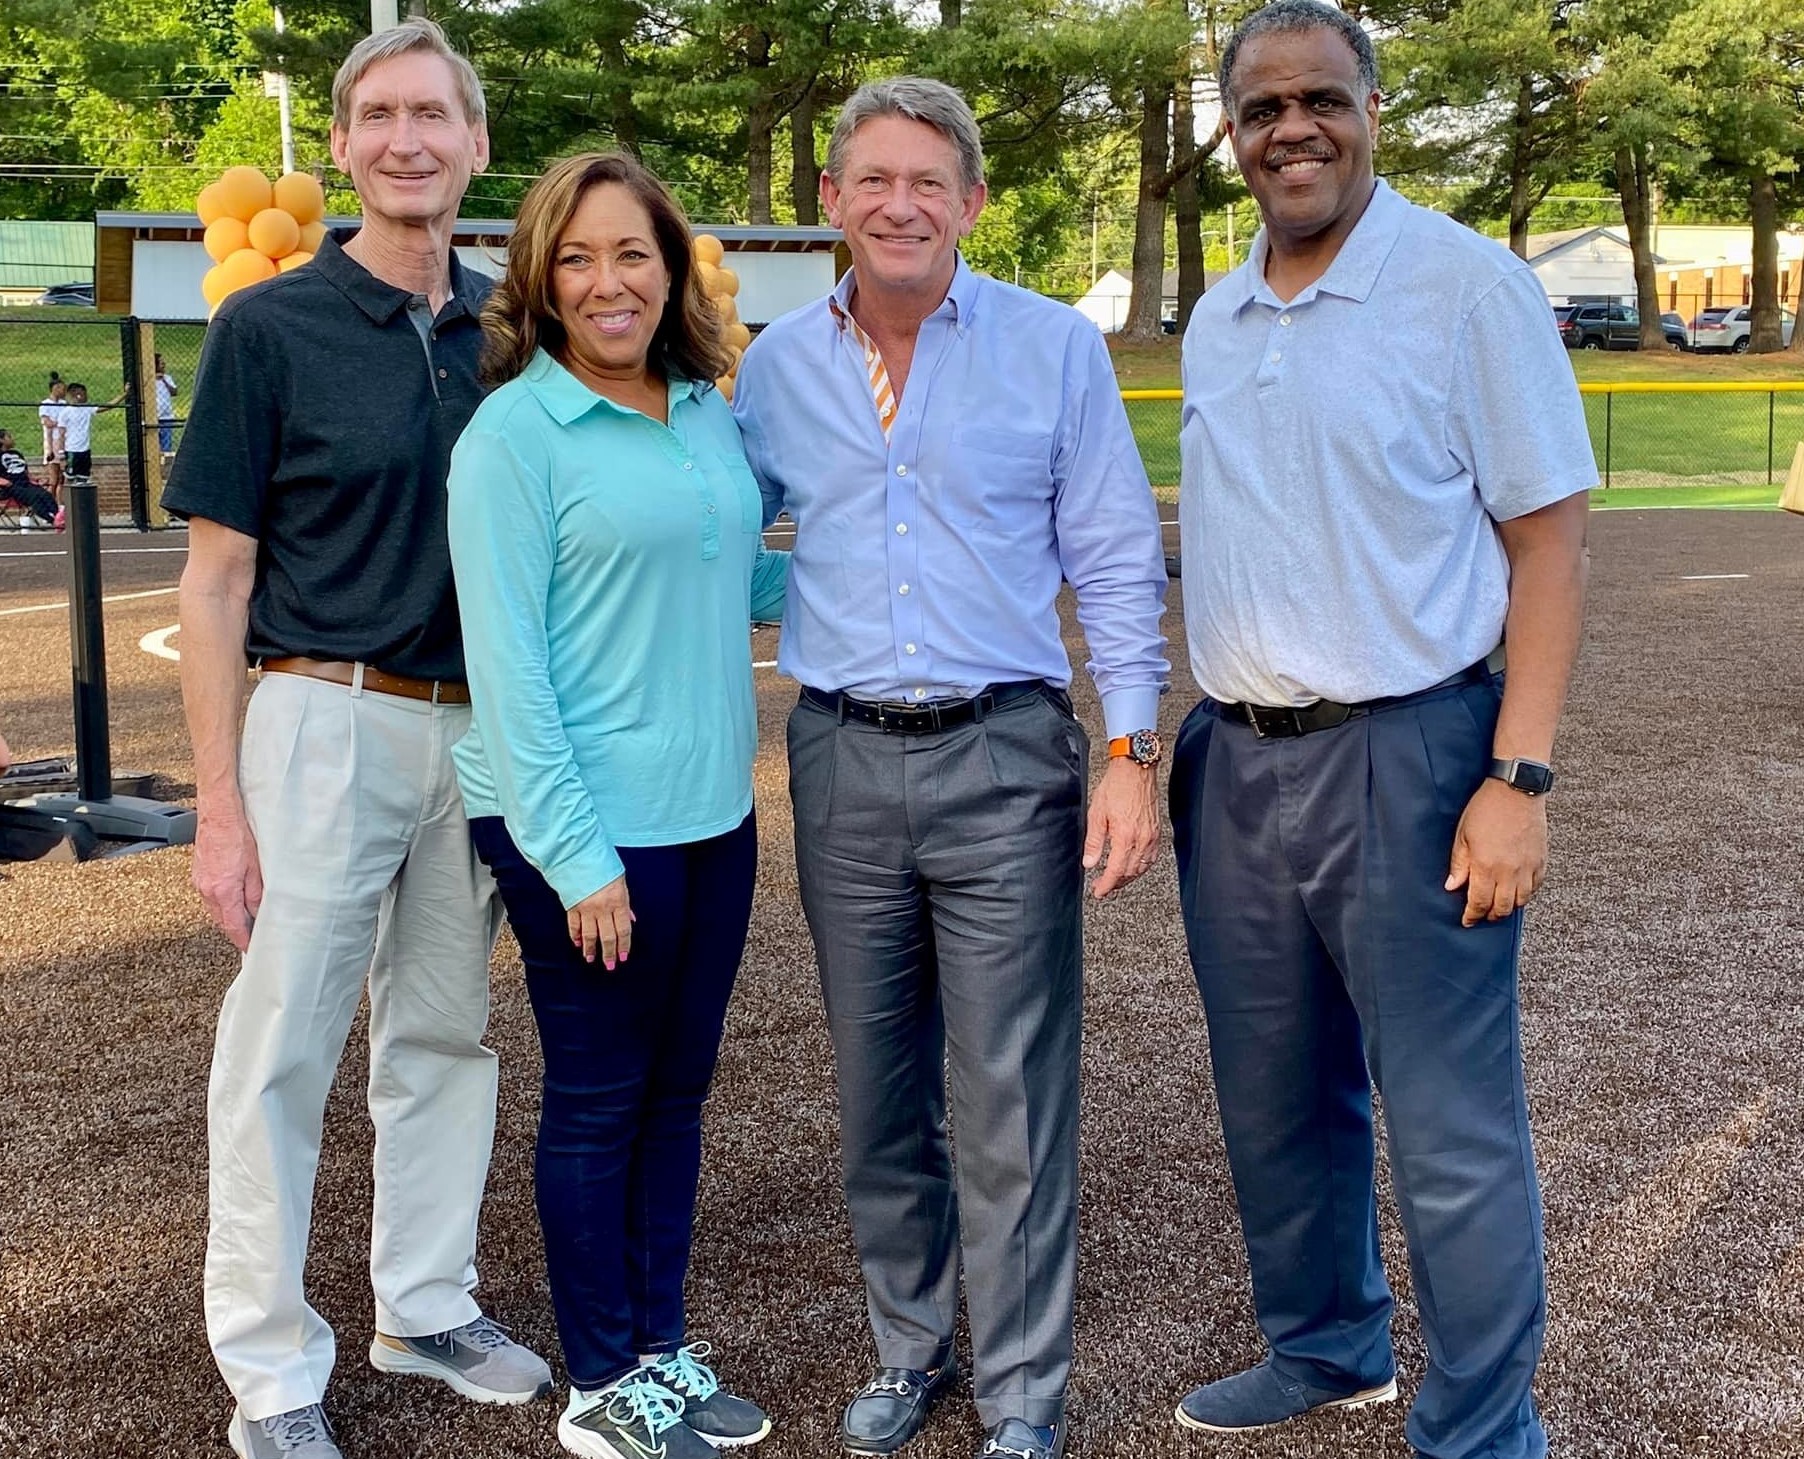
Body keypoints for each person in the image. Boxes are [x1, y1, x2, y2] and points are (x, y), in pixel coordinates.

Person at [1167, 5, 1593, 1458]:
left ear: (1370, 109)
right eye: (1262, 104)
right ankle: (1327, 1341)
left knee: (1451, 1119)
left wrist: (1515, 776)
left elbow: (1547, 542)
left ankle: (1481, 1423)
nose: (1293, 126)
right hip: (1233, 759)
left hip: (1411, 752)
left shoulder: (1467, 287)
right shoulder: (1221, 316)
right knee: (1277, 1095)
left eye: (1320, 98)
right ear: (1232, 131)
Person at [733, 77, 1169, 1459]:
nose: (902, 204)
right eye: (875, 180)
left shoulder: (1051, 349)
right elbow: (711, 530)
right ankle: (910, 1346)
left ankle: (1025, 1386)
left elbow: (1109, 555)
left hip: (1008, 755)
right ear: (832, 204)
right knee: (876, 1083)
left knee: (1012, 1087)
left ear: (972, 202)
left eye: (930, 181)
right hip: (844, 757)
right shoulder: (777, 368)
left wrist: (1129, 746)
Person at [162, 20, 551, 1459]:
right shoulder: (269, 329)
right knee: (279, 1051)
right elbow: (214, 577)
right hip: (323, 713)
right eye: (378, 114)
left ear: (475, 144)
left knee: (446, 1033)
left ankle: (423, 1297)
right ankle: (269, 1370)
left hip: (476, 733)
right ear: (339, 146)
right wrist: (218, 804)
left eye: (433, 115)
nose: (406, 139)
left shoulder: (514, 330)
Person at [448, 149, 785, 1459]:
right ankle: (601, 1379)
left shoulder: (700, 408)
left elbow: (735, 578)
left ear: (670, 266)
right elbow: (509, 670)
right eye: (577, 258)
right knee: (599, 1097)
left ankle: (659, 1342)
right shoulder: (513, 440)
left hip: (710, 811)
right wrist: (578, 854)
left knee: (678, 1091)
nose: (607, 281)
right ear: (540, 278)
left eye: (632, 253)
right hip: (582, 826)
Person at [0, 428, 64, 529]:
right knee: (34, 498)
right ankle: (54, 522)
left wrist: (36, 480)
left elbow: (25, 472)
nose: (12, 439)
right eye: (9, 437)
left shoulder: (17, 454)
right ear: (1, 440)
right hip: (11, 486)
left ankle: (58, 517)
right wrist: (5, 482)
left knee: (45, 494)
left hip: (25, 483)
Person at [39, 373, 66, 501]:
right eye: (61, 388)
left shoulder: (64, 403)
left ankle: (60, 505)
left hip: (64, 441)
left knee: (62, 478)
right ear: (54, 388)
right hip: (52, 441)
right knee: (54, 478)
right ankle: (50, 504)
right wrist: (60, 423)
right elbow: (48, 423)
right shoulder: (45, 404)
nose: (63, 391)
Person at [155, 352, 181, 454]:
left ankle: (166, 462)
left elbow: (174, 392)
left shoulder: (167, 378)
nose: (164, 364)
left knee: (166, 444)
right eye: (161, 363)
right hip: (154, 416)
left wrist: (164, 381)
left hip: (167, 417)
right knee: (153, 444)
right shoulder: (148, 379)